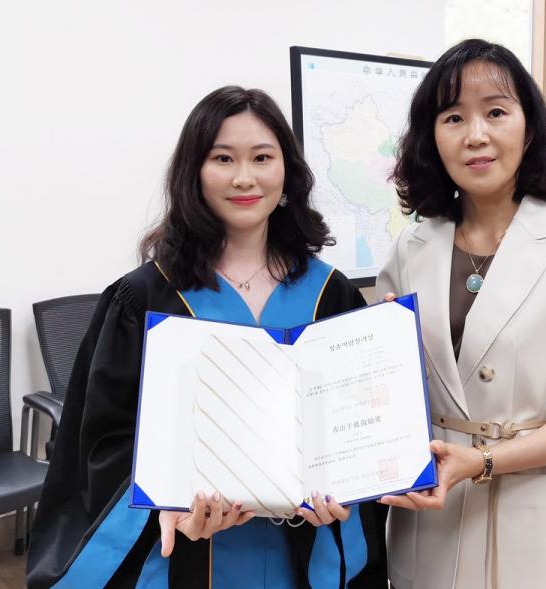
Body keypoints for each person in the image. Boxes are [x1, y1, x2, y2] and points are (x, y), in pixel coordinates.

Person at [27, 86, 388, 588]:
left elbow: (357, 427)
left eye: (262, 157)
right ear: (194, 173)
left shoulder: (332, 293)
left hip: (304, 550)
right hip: (188, 555)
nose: (244, 177)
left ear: (286, 171)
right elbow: (102, 444)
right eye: (223, 158)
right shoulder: (144, 297)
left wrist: (348, 486)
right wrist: (168, 505)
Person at [376, 39, 546, 589]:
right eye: (453, 118)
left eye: (495, 112)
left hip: (533, 509)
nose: (476, 135)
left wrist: (483, 461)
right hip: (431, 515)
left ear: (529, 126)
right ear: (432, 137)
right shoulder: (409, 249)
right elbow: (388, 390)